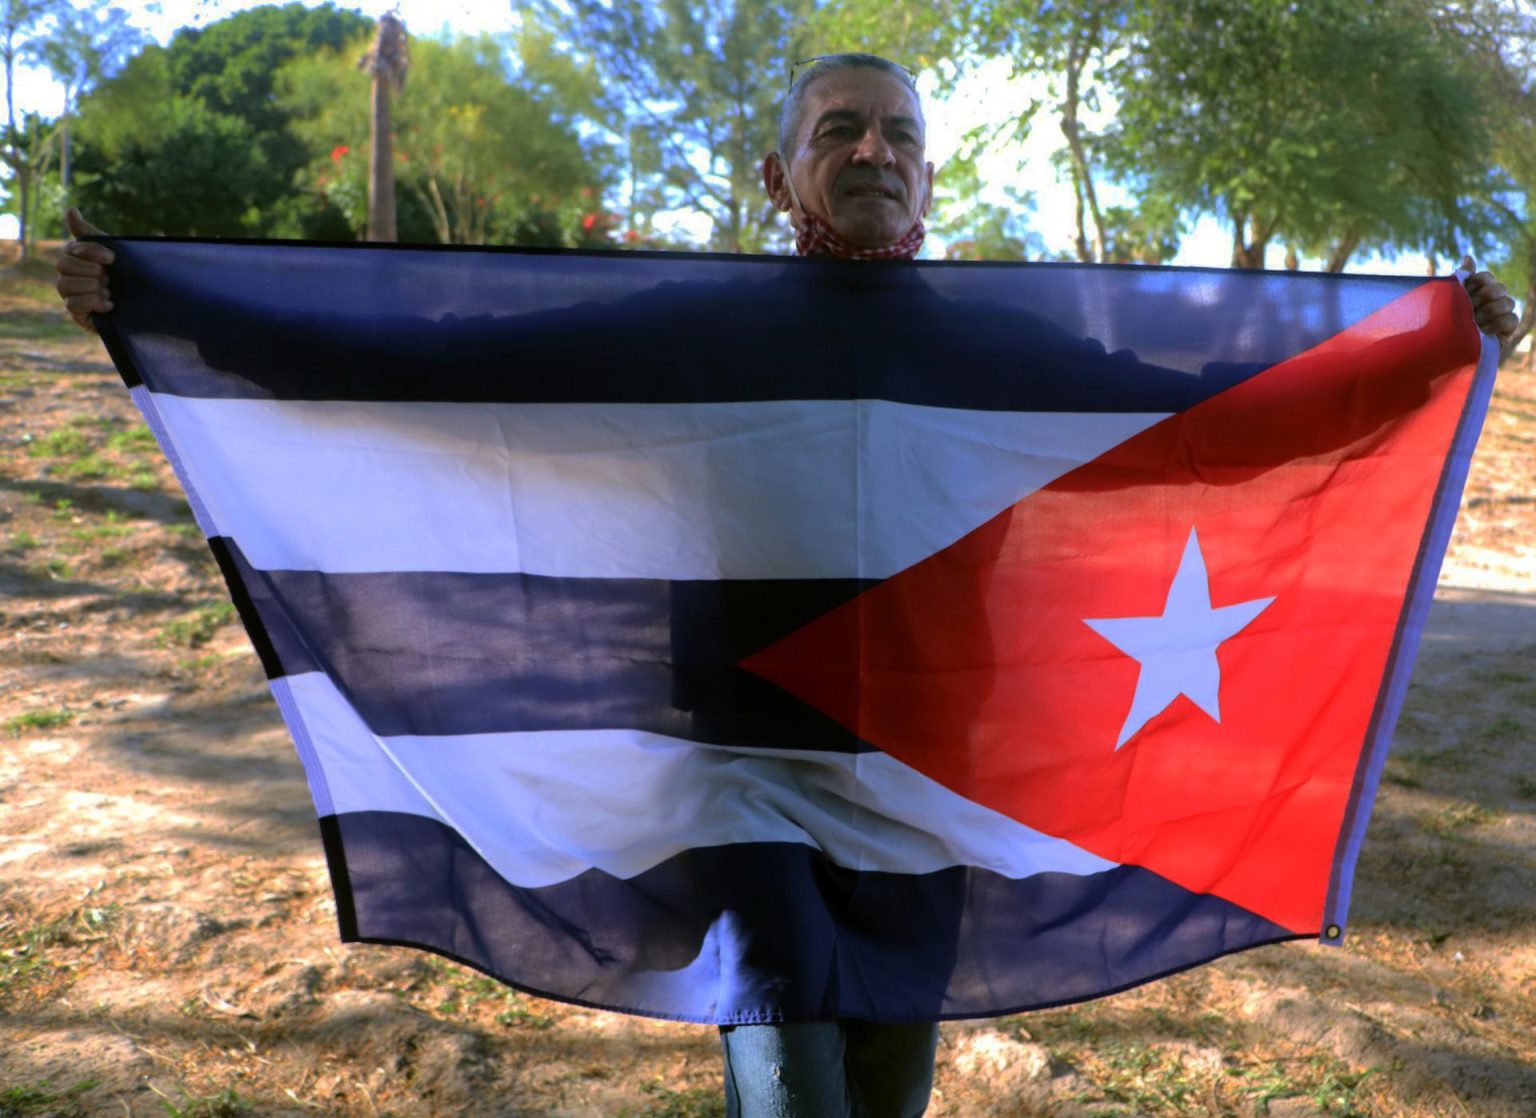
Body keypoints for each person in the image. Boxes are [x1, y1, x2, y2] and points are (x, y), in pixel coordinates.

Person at [51, 51, 1521, 1118]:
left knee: (887, 1074)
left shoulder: (1008, 350)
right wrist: (184, 315)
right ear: (780, 170)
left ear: (932, 172)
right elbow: (446, 366)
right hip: (739, 770)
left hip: (937, 776)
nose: (872, 149)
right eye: (839, 128)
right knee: (786, 1061)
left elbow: (1215, 421)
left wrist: (1431, 350)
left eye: (898, 133)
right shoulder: (693, 326)